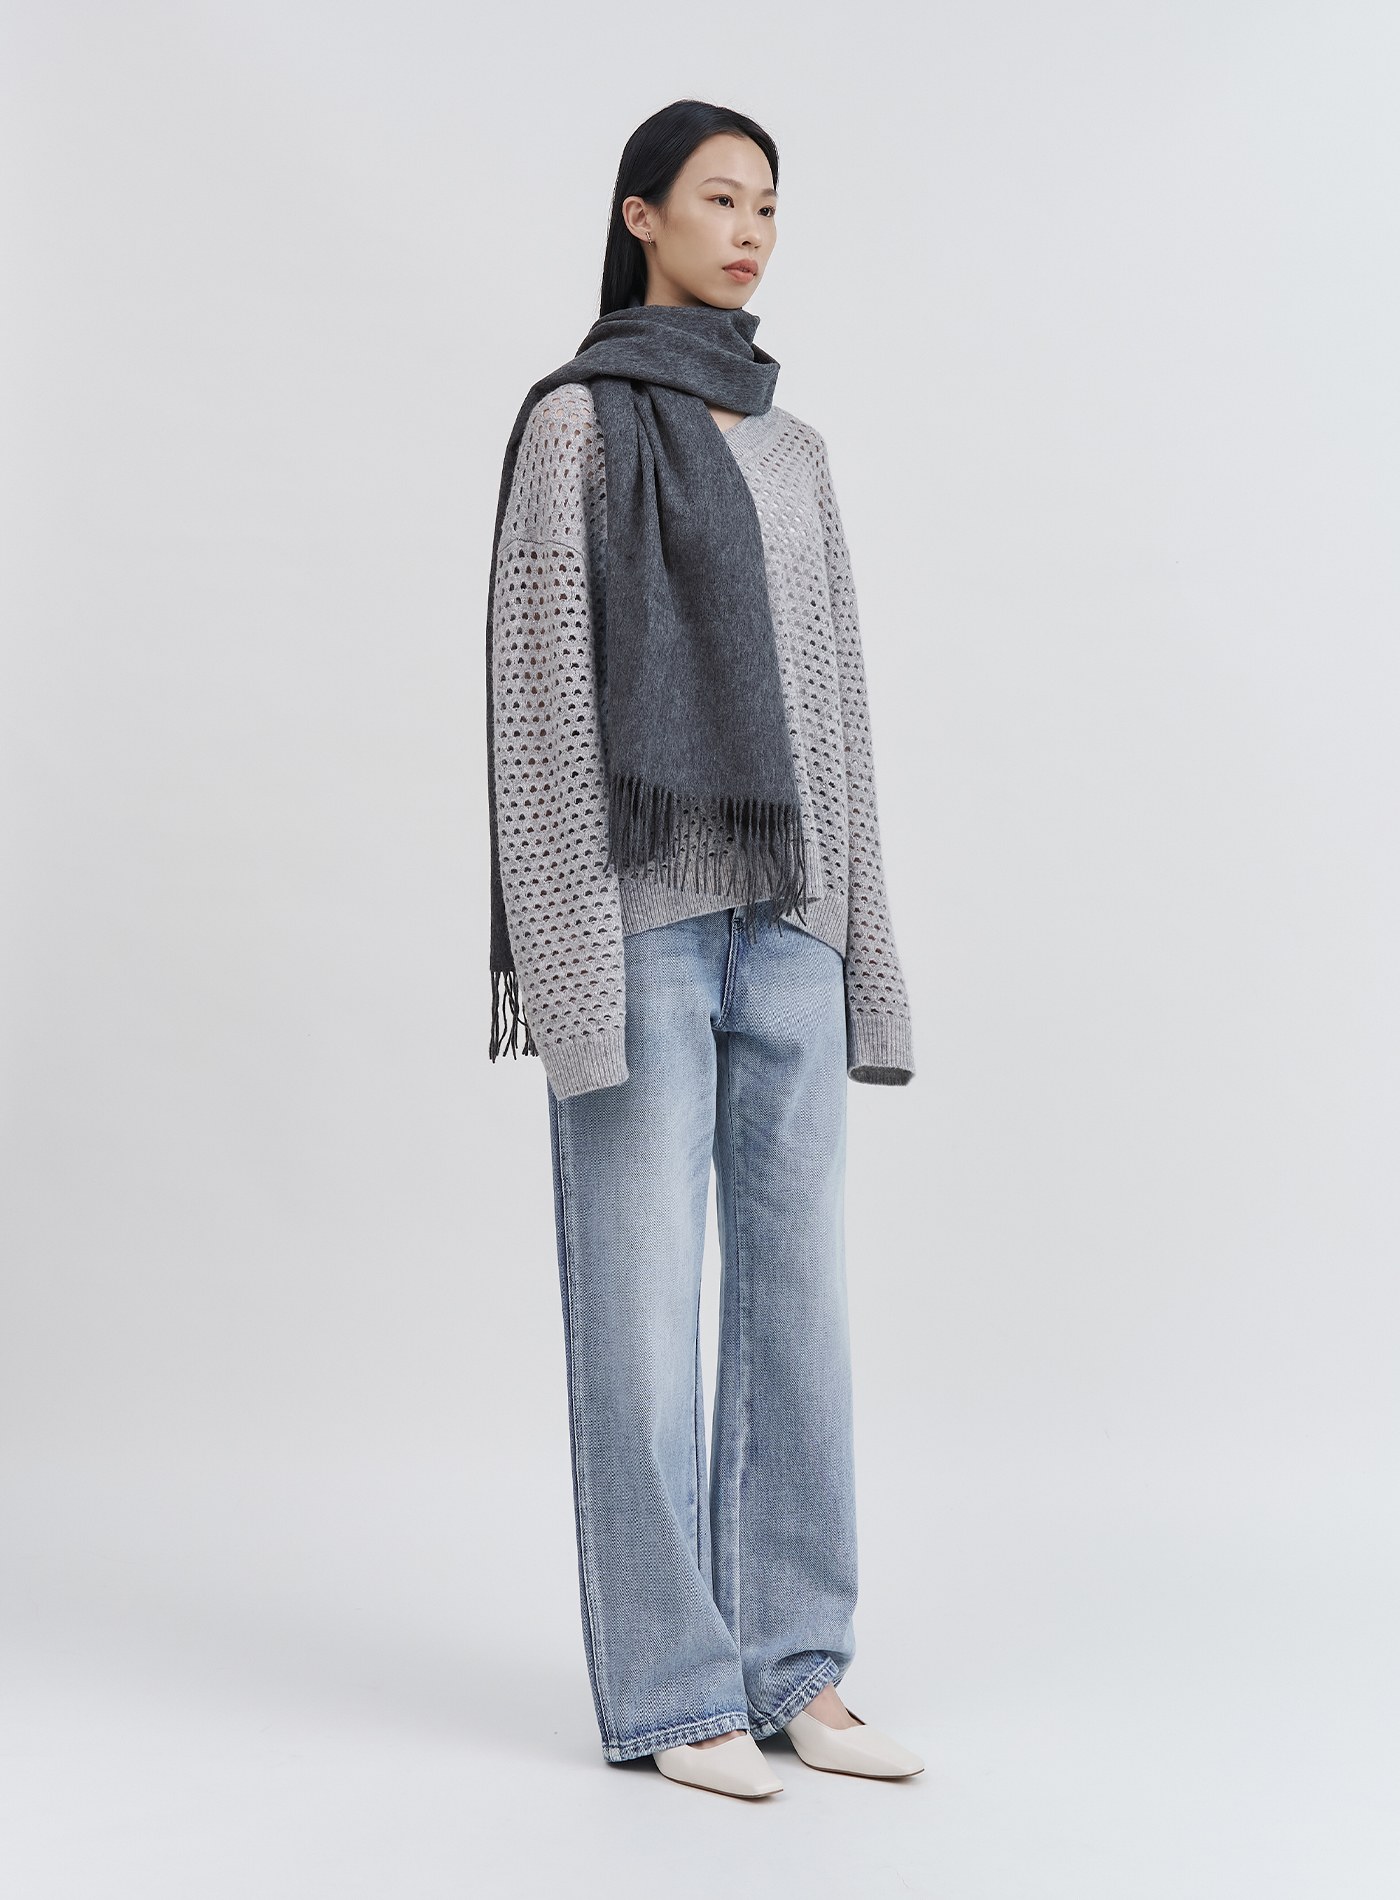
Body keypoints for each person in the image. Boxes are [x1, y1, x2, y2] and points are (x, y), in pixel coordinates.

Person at [484, 98, 924, 1800]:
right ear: (640, 215)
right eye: (720, 199)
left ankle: (797, 1665)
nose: (749, 231)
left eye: (768, 206)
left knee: (799, 1313)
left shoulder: (795, 450)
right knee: (641, 1320)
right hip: (640, 927)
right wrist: (569, 966)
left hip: (790, 926)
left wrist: (862, 949)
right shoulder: (577, 427)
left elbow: (839, 706)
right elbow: (539, 702)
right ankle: (677, 1694)